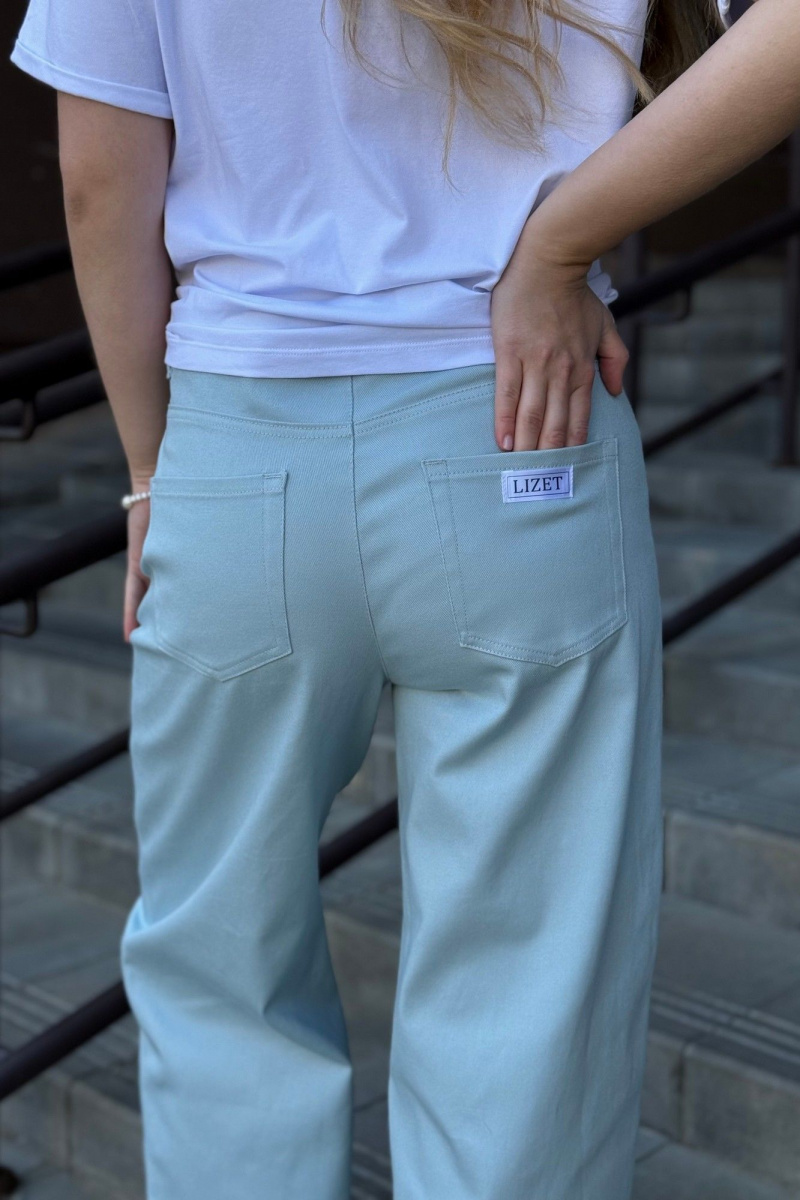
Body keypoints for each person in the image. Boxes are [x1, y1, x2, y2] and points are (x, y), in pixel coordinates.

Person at [8, 0, 800, 1196]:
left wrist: (150, 476)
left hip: (237, 445)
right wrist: (557, 245)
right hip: (519, 415)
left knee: (218, 967)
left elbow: (100, 182)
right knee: (528, 980)